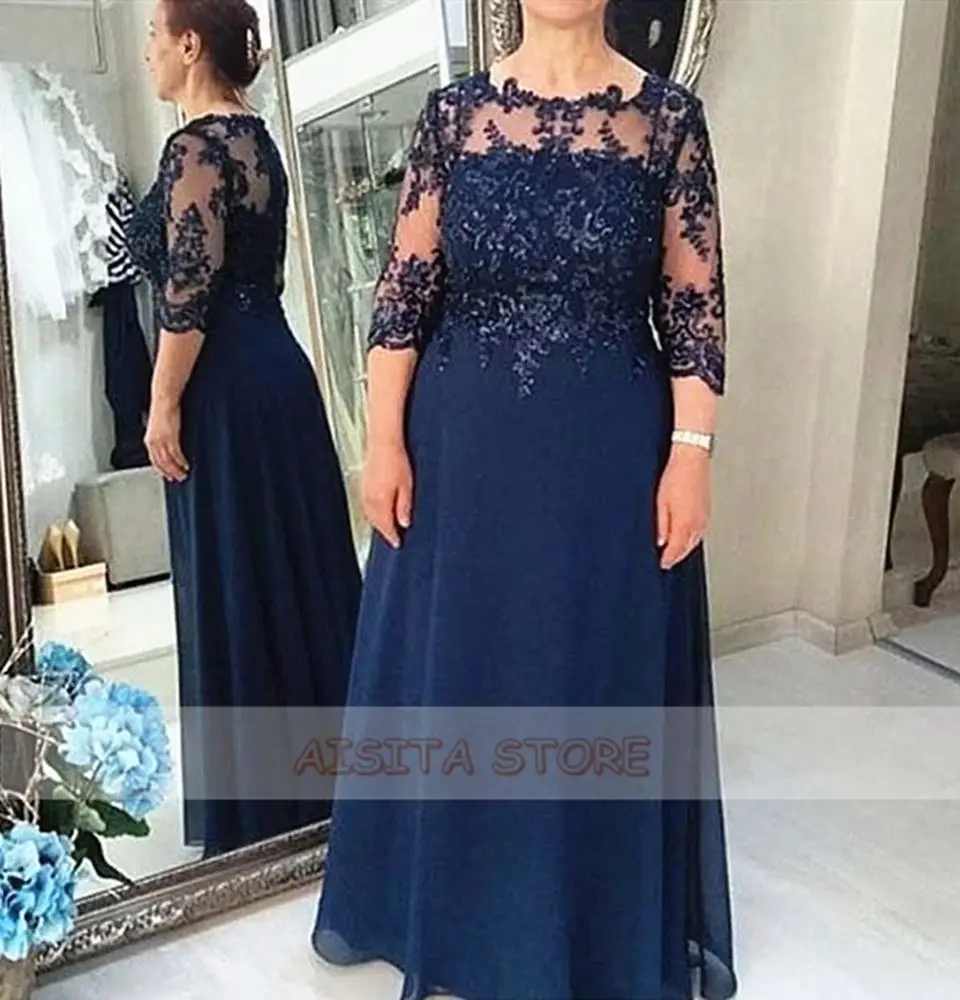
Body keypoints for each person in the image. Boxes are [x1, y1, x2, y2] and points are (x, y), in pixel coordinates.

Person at [312, 0, 737, 996]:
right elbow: (402, 294)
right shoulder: (452, 117)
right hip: (459, 455)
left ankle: (580, 924)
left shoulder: (668, 121)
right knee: (462, 675)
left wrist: (691, 455)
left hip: (608, 459)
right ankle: (459, 916)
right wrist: (381, 442)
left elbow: (695, 309)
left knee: (586, 674)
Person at [129, 0, 361, 857]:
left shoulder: (193, 148)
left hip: (220, 387)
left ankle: (263, 810)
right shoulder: (256, 138)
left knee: (240, 574)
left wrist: (160, 405)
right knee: (296, 571)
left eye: (154, 37)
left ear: (190, 46)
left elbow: (188, 294)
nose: (148, 54)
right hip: (278, 373)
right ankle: (337, 788)